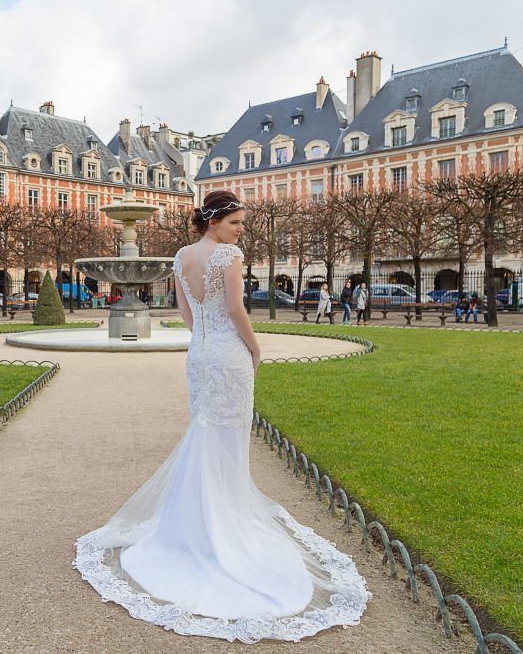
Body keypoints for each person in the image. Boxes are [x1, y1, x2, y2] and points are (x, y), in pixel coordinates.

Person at [74, 189, 369, 643]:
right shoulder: (228, 255)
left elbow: (188, 314)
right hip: (228, 353)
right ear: (213, 221)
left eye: (240, 224)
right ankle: (223, 522)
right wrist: (255, 346)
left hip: (201, 353)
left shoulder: (181, 255)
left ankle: (197, 522)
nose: (239, 230)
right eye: (235, 222)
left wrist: (206, 342)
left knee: (206, 430)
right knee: (229, 435)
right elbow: (235, 309)